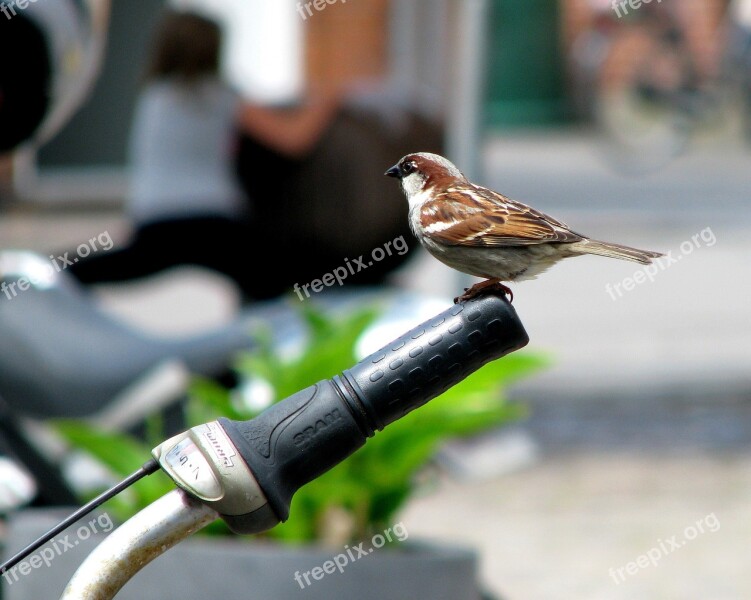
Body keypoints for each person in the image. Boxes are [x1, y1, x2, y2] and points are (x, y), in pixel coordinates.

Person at [67, 10, 339, 300]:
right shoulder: (222, 96)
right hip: (213, 224)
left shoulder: (153, 96)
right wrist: (330, 98)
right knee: (275, 281)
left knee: (88, 270)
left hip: (154, 223)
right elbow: (294, 140)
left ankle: (54, 290)